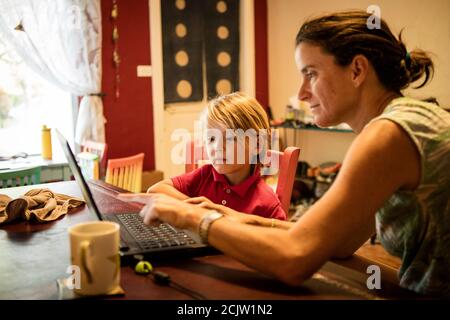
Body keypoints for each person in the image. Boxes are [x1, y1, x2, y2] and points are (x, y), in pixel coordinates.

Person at [119, 11, 450, 297]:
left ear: (357, 70)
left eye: (311, 73)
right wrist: (224, 215)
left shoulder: (388, 135)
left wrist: (193, 218)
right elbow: (339, 243)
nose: (300, 93)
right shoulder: (401, 124)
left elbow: (295, 259)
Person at [147, 92, 287, 221]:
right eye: (211, 139)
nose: (218, 147)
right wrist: (200, 211)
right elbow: (155, 190)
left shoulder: (266, 203)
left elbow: (282, 240)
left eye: (230, 138)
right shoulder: (205, 175)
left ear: (257, 144)